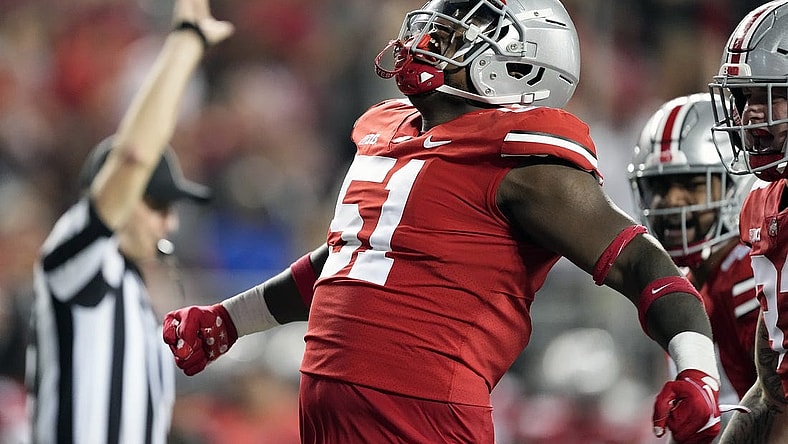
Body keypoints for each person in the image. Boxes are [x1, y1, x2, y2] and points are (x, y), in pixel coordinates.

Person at [164, 1, 723, 442]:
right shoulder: (391, 133)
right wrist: (228, 322)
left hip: (423, 415)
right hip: (333, 408)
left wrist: (698, 371)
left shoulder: (526, 165)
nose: (429, 41)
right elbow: (344, 262)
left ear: (519, 65)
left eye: (455, 37)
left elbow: (643, 264)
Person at [24, 1, 233, 442]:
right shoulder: (78, 254)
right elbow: (133, 157)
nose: (169, 224)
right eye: (157, 205)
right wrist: (185, 43)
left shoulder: (130, 289)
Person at [628, 93, 759, 403]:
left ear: (734, 185)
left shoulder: (750, 275)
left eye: (691, 184)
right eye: (659, 187)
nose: (670, 201)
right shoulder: (684, 283)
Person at [709, 1, 788, 442]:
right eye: (745, 97)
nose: (750, 114)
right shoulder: (761, 208)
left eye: (770, 94)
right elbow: (771, 391)